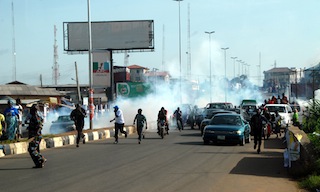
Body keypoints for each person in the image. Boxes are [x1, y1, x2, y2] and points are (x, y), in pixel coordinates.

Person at [25, 104, 46, 168]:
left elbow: (39, 126)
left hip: (35, 136)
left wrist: (36, 133)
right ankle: (38, 164)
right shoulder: (36, 117)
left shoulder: (35, 117)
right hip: (35, 135)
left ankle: (41, 158)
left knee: (32, 149)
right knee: (36, 149)